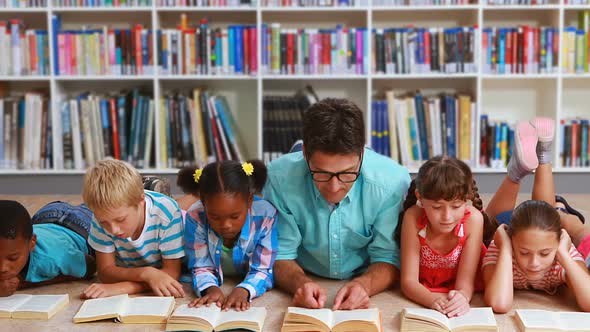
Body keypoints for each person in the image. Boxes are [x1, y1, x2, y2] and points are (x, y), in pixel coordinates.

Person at [263, 98, 411, 310]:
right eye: (321, 173)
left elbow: (388, 256)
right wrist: (300, 283)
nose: (334, 187)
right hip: (306, 272)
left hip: (363, 272)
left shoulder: (392, 182)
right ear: (305, 154)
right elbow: (281, 254)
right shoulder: (278, 178)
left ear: (361, 154)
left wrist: (365, 285)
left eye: (347, 173)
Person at [483, 118, 590, 313]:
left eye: (544, 253)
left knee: (547, 213)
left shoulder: (561, 251)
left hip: (538, 227)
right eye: (524, 253)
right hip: (513, 225)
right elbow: (499, 304)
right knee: (489, 227)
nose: (534, 263)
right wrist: (506, 249)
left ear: (558, 243)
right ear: (511, 241)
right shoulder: (500, 249)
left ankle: (521, 170)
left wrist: (564, 255)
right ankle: (543, 154)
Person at [398, 156, 491, 317]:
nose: (447, 217)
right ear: (420, 197)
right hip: (427, 287)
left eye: (456, 206)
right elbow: (408, 282)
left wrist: (462, 297)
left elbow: (465, 285)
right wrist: (432, 300)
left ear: (466, 200)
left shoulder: (474, 220)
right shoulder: (413, 217)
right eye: (436, 207)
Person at [81, 159, 185, 299]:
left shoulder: (168, 212)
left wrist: (121, 288)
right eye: (104, 222)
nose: (114, 230)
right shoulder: (101, 216)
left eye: (120, 219)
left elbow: (172, 273)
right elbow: (105, 272)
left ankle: (156, 185)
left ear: (140, 201)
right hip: (136, 268)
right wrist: (147, 274)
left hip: (148, 263)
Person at [184, 160, 278, 311]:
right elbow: (200, 267)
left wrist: (245, 290)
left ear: (249, 200)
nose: (226, 225)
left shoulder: (266, 216)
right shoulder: (195, 216)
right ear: (203, 202)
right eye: (215, 217)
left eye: (234, 217)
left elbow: (263, 269)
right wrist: (210, 288)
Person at [0, 200, 96, 296]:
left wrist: (23, 283)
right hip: (46, 215)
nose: (2, 268)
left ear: (32, 243)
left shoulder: (53, 258)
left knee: (99, 205)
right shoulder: (14, 246)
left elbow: (91, 266)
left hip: (81, 226)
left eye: (13, 258)